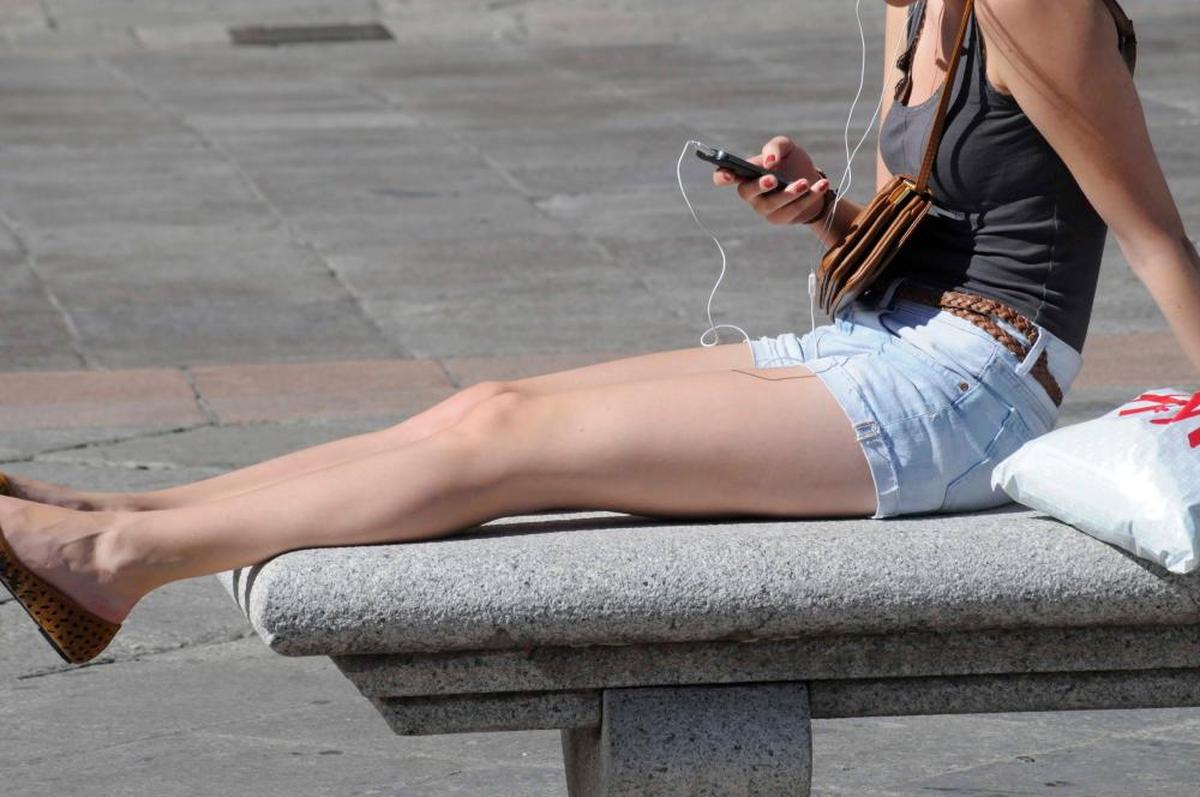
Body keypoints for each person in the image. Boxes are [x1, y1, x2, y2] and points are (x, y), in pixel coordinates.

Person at [1, 0, 1197, 664]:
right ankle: (118, 517)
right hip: (884, 343)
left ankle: (114, 570)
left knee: (513, 443)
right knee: (485, 406)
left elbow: (1149, 239)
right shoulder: (910, 2)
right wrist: (825, 210)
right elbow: (941, 220)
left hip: (967, 393)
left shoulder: (1036, 0)